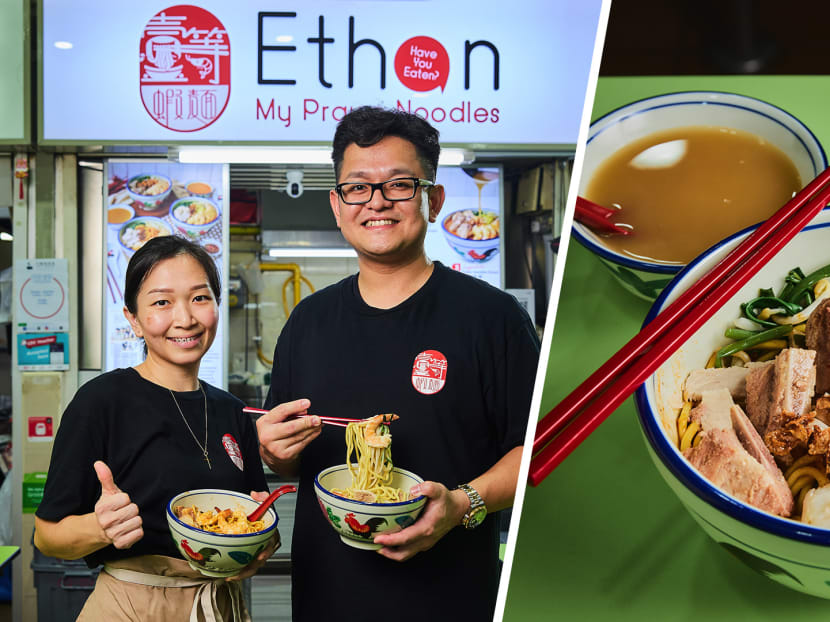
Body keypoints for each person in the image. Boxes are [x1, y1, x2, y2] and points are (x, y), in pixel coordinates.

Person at [257, 106, 541, 621]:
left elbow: (539, 450)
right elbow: (291, 456)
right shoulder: (308, 321)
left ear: (433, 199)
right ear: (337, 205)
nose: (377, 202)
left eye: (399, 185)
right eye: (358, 187)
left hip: (451, 598)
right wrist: (275, 450)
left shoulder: (491, 317)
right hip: (328, 598)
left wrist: (462, 504)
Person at [34, 235, 275, 621]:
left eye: (200, 298)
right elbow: (47, 536)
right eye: (162, 302)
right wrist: (101, 527)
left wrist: (256, 549)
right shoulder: (101, 401)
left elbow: (257, 514)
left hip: (217, 604)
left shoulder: (232, 411)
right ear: (133, 319)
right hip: (131, 605)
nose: (185, 318)